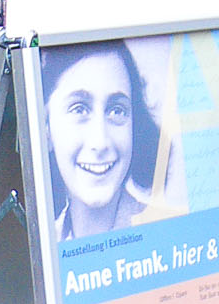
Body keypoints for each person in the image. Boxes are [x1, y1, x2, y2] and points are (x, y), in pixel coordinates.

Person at [43, 40, 159, 237]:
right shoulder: (42, 243)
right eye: (79, 109)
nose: (100, 142)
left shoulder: (166, 234)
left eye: (117, 110)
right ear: (46, 128)